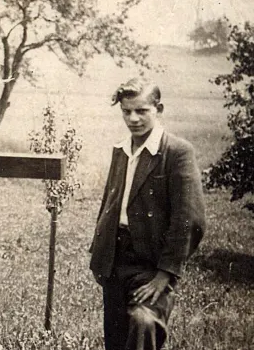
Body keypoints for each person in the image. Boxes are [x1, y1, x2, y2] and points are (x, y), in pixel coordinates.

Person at [89, 77, 206, 350]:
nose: (133, 118)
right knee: (117, 337)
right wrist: (99, 254)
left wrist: (165, 274)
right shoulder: (121, 150)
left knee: (144, 324)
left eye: (142, 111)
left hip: (151, 264)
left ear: (159, 108)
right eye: (126, 111)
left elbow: (189, 220)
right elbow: (110, 202)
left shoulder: (176, 152)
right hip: (116, 260)